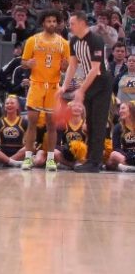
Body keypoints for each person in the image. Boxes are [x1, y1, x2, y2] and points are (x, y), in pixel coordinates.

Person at [57, 11, 113, 173]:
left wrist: (80, 91)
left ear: (82, 23)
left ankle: (95, 163)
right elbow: (73, 66)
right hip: (88, 83)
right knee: (89, 122)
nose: (70, 26)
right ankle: (90, 159)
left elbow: (95, 69)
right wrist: (64, 87)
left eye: (73, 23)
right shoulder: (73, 41)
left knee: (98, 121)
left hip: (102, 82)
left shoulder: (96, 40)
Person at [19, 10, 70, 171]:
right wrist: (29, 64)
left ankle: (50, 159)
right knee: (32, 122)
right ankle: (28, 158)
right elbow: (23, 62)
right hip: (36, 85)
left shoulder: (64, 43)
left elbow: (67, 66)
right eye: (49, 21)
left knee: (51, 125)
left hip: (54, 86)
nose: (52, 24)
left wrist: (64, 67)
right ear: (43, 23)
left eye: (54, 21)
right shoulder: (32, 41)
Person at [0, 94, 27, 167]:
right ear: (4, 107)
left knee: (31, 147)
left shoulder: (24, 122)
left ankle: (6, 162)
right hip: (2, 153)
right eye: (7, 103)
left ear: (17, 106)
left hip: (19, 153)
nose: (9, 105)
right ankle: (11, 162)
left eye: (12, 103)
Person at [50, 101, 87, 169]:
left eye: (79, 106)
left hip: (81, 155)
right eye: (74, 106)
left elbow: (89, 144)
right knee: (54, 152)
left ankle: (73, 164)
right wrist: (66, 149)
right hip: (66, 153)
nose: (77, 108)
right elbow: (56, 144)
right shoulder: (63, 124)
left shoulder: (85, 125)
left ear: (83, 110)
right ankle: (72, 165)